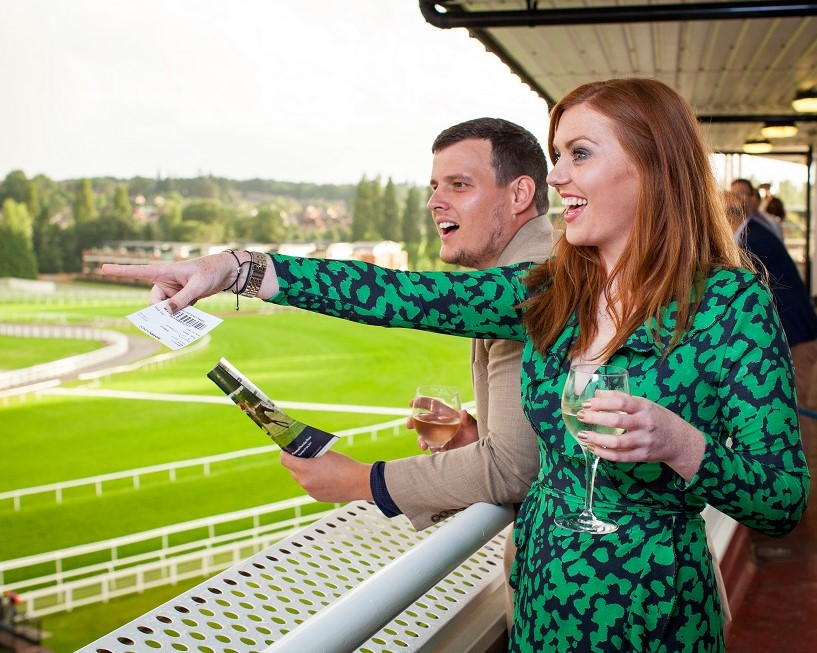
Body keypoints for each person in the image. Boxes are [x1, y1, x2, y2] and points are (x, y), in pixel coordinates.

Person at [102, 77, 810, 652]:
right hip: (541, 609)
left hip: (652, 619)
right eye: (556, 155)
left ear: (652, 165)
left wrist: (680, 444)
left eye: (578, 155)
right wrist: (234, 268)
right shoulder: (550, 292)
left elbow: (780, 501)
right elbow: (395, 293)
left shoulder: (730, 304)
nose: (555, 176)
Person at [278, 117, 553, 630]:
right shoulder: (526, 271)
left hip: (591, 606)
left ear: (519, 194)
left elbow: (513, 470)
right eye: (434, 187)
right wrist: (476, 435)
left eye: (459, 185)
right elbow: (542, 444)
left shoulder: (536, 280)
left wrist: (363, 480)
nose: (435, 202)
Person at [724, 189, 817, 410]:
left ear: (727, 219)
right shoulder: (753, 233)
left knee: (799, 408)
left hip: (796, 334)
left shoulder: (751, 240)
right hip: (797, 329)